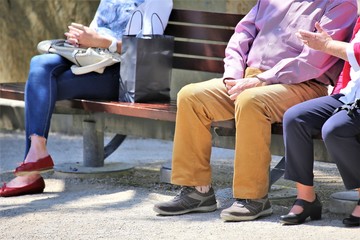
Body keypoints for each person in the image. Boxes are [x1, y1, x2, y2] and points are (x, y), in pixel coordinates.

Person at [153, 0, 358, 222]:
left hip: (302, 84)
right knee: (191, 96)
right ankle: (196, 190)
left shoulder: (340, 4)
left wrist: (262, 80)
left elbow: (313, 61)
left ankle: (253, 198)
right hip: (250, 78)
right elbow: (241, 35)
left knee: (251, 101)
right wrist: (232, 75)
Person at [0, 0, 173, 197]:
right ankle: (37, 150)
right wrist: (81, 39)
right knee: (39, 63)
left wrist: (103, 42)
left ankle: (30, 175)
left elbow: (148, 49)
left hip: (121, 75)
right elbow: (97, 29)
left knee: (40, 84)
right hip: (91, 60)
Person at [279, 18, 360, 227]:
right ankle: (306, 199)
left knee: (335, 129)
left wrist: (326, 45)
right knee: (295, 118)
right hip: (350, 94)